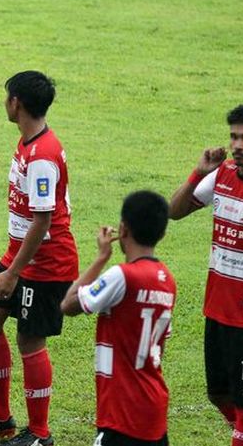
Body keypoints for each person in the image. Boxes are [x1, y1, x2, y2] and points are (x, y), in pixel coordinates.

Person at [0, 71, 78, 446]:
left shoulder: (41, 155)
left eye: (7, 97)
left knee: (30, 342)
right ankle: (0, 417)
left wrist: (13, 273)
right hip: (19, 256)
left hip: (45, 264)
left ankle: (40, 434)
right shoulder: (29, 142)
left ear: (16, 104)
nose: (4, 102)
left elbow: (42, 222)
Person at [170, 103, 243, 446]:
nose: (238, 145)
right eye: (234, 137)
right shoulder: (223, 173)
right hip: (217, 307)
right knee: (219, 395)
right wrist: (198, 173)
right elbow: (175, 211)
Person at [61, 191, 176, 446]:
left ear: (123, 229)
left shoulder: (122, 276)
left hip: (122, 412)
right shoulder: (167, 279)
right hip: (154, 408)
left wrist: (101, 258)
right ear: (162, 233)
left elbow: (68, 304)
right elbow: (159, 349)